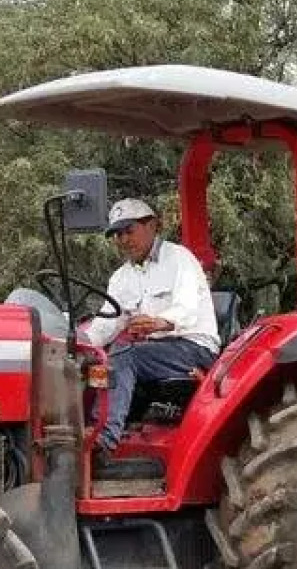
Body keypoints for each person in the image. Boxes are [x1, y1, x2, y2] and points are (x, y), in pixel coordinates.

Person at [83, 197, 221, 471]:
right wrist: (81, 345)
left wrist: (161, 322)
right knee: (90, 361)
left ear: (152, 226)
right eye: (117, 234)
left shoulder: (179, 259)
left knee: (125, 354)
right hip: (154, 352)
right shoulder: (121, 277)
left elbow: (187, 309)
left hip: (192, 347)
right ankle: (83, 429)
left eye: (128, 230)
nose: (123, 240)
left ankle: (103, 440)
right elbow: (108, 322)